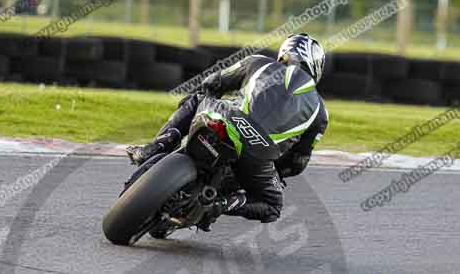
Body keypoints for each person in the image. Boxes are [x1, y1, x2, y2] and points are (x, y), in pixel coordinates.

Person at [126, 33, 329, 224]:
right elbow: (297, 162)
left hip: (223, 117)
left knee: (198, 98)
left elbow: (212, 82)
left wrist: (216, 99)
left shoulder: (258, 62)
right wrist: (276, 174)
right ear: (316, 66)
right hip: (258, 152)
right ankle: (221, 204)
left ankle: (156, 146)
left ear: (284, 53)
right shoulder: (320, 113)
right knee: (272, 206)